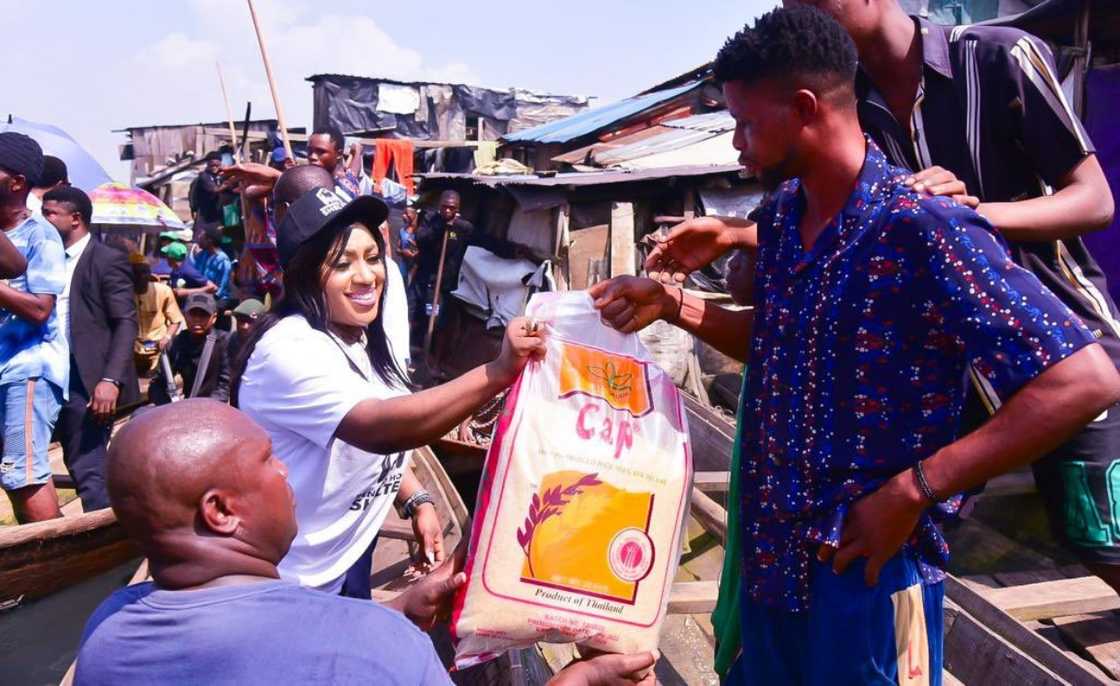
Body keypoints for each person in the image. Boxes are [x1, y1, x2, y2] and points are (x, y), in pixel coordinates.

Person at [589, 7, 1120, 683]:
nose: (735, 146)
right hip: (776, 566)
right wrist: (674, 303)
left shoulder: (923, 223)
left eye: (747, 124)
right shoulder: (782, 219)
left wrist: (916, 488)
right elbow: (782, 343)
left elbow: (1085, 381)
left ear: (806, 108)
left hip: (874, 574)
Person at [776, 0, 1120, 596]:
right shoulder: (842, 102)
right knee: (888, 527)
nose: (801, 16)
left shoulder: (998, 56)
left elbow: (1094, 200)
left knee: (1102, 538)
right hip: (949, 368)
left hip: (1064, 349)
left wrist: (971, 218)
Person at [73, 399, 656, 686]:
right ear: (221, 511)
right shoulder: (376, 650)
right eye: (268, 460)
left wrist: (396, 611)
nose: (285, 473)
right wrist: (573, 681)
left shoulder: (109, 629)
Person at [231, 187, 545, 599]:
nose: (367, 276)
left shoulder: (355, 336)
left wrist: (416, 498)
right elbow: (381, 427)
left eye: (373, 257)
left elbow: (377, 427)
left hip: (346, 556)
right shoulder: (288, 348)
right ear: (305, 275)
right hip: (291, 584)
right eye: (342, 264)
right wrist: (498, 372)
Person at [41, 186, 139, 511]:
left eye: (50, 213)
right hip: (44, 374)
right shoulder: (43, 258)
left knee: (88, 465)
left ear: (76, 218)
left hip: (86, 380)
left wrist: (110, 380)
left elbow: (126, 322)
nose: (43, 220)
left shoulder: (106, 260)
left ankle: (106, 544)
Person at [0, 132, 69, 523]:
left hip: (28, 368)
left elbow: (41, 308)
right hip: (3, 365)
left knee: (24, 473)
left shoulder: (40, 235)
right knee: (12, 473)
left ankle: (58, 566)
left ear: (16, 183)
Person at [412, 190, 528, 339]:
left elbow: (487, 242)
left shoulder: (463, 228)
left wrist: (512, 250)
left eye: (452, 207)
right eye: (444, 207)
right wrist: (441, 227)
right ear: (439, 206)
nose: (447, 210)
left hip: (442, 286)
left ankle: (428, 352)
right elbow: (421, 239)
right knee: (411, 314)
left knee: (434, 320)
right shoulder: (430, 220)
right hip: (422, 280)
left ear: (458, 209)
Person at [149, 293, 230, 405]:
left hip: (214, 408)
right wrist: (169, 406)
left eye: (203, 315)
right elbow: (157, 383)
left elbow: (225, 386)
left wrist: (202, 408)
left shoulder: (224, 342)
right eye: (193, 314)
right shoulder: (176, 343)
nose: (197, 319)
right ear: (184, 315)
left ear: (214, 318)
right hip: (187, 406)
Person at [131, 259, 183, 377]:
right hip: (132, 348)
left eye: (143, 278)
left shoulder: (163, 291)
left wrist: (167, 337)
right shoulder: (125, 293)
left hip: (157, 348)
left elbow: (176, 320)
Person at [307, 125, 372, 200]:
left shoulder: (341, 188)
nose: (312, 157)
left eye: (321, 152)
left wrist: (357, 152)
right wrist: (357, 152)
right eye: (309, 151)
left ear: (339, 154)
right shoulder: (349, 179)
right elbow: (354, 171)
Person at [193, 224, 233, 304]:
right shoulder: (201, 256)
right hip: (202, 295)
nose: (198, 239)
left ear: (209, 240)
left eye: (202, 237)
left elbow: (222, 288)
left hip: (218, 299)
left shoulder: (223, 261)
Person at [189, 152, 224, 229]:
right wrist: (227, 184)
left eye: (217, 165)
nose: (214, 167)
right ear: (207, 164)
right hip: (205, 214)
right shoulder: (204, 177)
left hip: (217, 213)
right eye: (212, 165)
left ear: (220, 164)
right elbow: (214, 190)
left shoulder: (221, 176)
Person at [228, 297, 264, 365]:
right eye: (242, 321)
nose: (245, 326)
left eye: (250, 322)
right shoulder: (230, 341)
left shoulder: (264, 347)